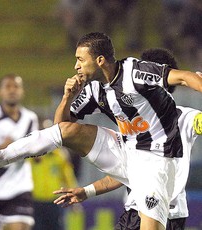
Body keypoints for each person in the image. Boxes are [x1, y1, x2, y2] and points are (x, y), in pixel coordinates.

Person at [0, 32, 202, 229]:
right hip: (128, 152)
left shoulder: (133, 72)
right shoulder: (94, 91)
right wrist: (67, 98)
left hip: (157, 163)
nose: (76, 66)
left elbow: (183, 78)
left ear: (100, 60)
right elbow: (61, 129)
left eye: (80, 59)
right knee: (68, 131)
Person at [53, 48, 202, 230]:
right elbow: (126, 171)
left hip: (160, 212)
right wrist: (87, 191)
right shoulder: (134, 121)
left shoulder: (185, 117)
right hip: (144, 211)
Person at [0, 73, 39, 230]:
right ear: (0, 92)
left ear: (22, 91)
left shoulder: (31, 119)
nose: (12, 90)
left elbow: (35, 150)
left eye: (16, 86)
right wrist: (2, 149)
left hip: (20, 188)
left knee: (20, 226)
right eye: (7, 87)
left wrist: (37, 152)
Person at [30, 118, 79, 230]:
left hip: (54, 201)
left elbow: (68, 177)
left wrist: (74, 197)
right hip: (34, 202)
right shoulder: (30, 154)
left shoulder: (59, 155)